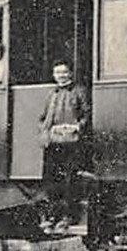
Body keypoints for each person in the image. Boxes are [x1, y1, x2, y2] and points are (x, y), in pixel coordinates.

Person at [38, 61, 91, 227]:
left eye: (64, 72)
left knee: (70, 180)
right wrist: (46, 130)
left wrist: (77, 126)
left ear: (70, 74)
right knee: (52, 180)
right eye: (57, 73)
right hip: (53, 142)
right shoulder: (51, 93)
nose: (61, 75)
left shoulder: (79, 91)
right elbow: (42, 117)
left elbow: (87, 113)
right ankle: (53, 216)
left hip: (72, 142)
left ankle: (69, 217)